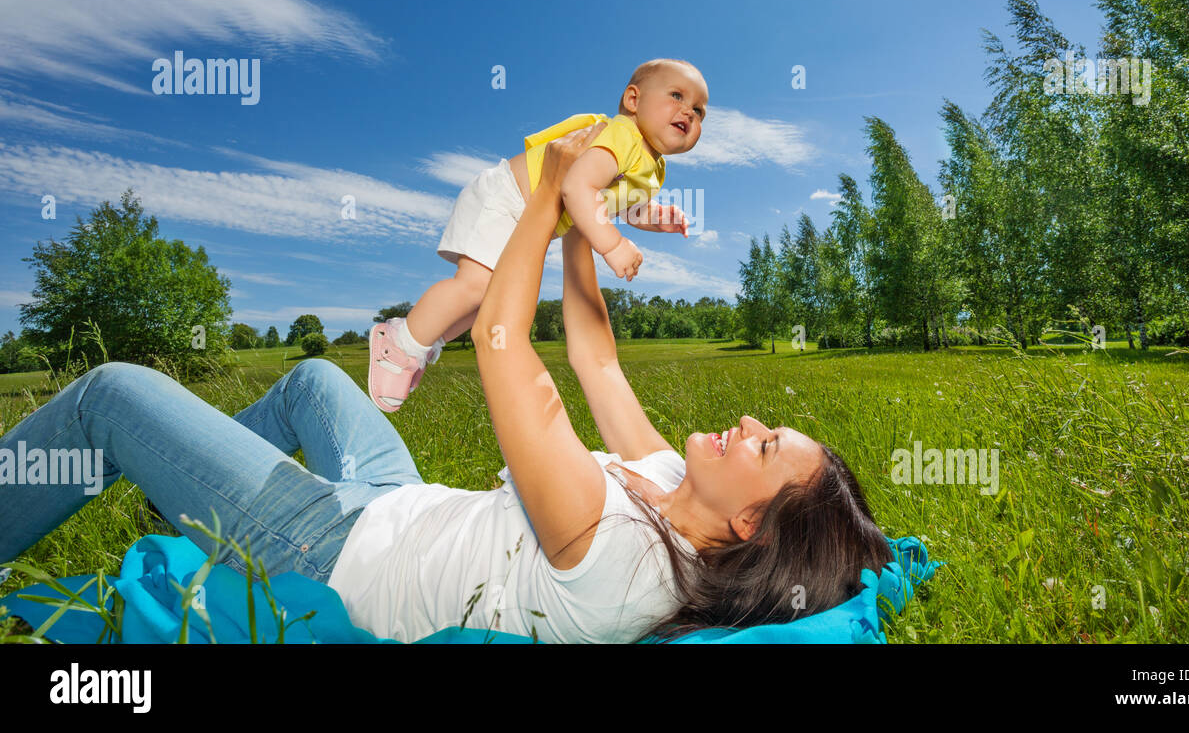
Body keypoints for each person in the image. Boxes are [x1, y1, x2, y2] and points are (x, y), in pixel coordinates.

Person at [0, 126, 894, 643]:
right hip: (402, 504)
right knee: (315, 377)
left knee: (110, 392)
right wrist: (587, 220)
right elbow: (597, 360)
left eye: (768, 445)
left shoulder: (628, 563)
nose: (749, 420)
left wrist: (544, 201)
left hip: (329, 549)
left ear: (750, 524)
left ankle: (163, 489)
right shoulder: (668, 488)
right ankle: (183, 491)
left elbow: (505, 344)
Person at [367, 57, 705, 412]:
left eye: (699, 110)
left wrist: (655, 216)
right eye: (677, 96)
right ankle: (400, 341)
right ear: (633, 100)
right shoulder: (623, 134)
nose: (689, 112)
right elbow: (577, 186)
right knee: (476, 286)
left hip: (525, 218)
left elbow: (615, 203)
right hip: (507, 198)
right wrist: (613, 244)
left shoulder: (654, 167)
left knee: (491, 300)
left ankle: (424, 340)